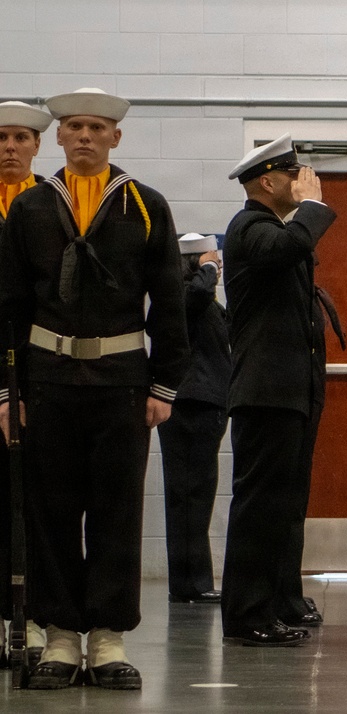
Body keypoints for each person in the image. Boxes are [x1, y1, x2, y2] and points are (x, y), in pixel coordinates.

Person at [0, 87, 189, 689]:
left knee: (117, 512)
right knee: (50, 511)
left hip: (122, 383)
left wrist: (165, 384)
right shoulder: (30, 208)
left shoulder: (146, 205)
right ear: (57, 136)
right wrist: (8, 392)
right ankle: (59, 637)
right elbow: (9, 306)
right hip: (47, 383)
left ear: (116, 137)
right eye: (75, 127)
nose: (85, 136)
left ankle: (108, 640)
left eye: (97, 128)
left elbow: (170, 301)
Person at [220, 133, 336, 647]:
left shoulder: (272, 228)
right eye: (293, 174)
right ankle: (247, 615)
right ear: (267, 182)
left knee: (282, 506)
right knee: (260, 507)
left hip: (288, 391)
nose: (303, 180)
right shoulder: (250, 227)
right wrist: (313, 207)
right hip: (265, 391)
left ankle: (274, 603)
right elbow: (290, 246)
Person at [0, 100, 53, 673]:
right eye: (0, 138)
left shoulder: (50, 206)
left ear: (38, 145)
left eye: (20, 137)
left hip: (34, 374)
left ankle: (32, 617)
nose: (10, 147)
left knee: (37, 501)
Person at [157, 233, 231, 605]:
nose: (218, 267)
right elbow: (198, 293)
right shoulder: (185, 296)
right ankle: (193, 582)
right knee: (191, 495)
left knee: (191, 496)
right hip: (193, 404)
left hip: (201, 403)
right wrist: (207, 266)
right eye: (212, 260)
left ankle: (189, 581)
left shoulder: (202, 302)